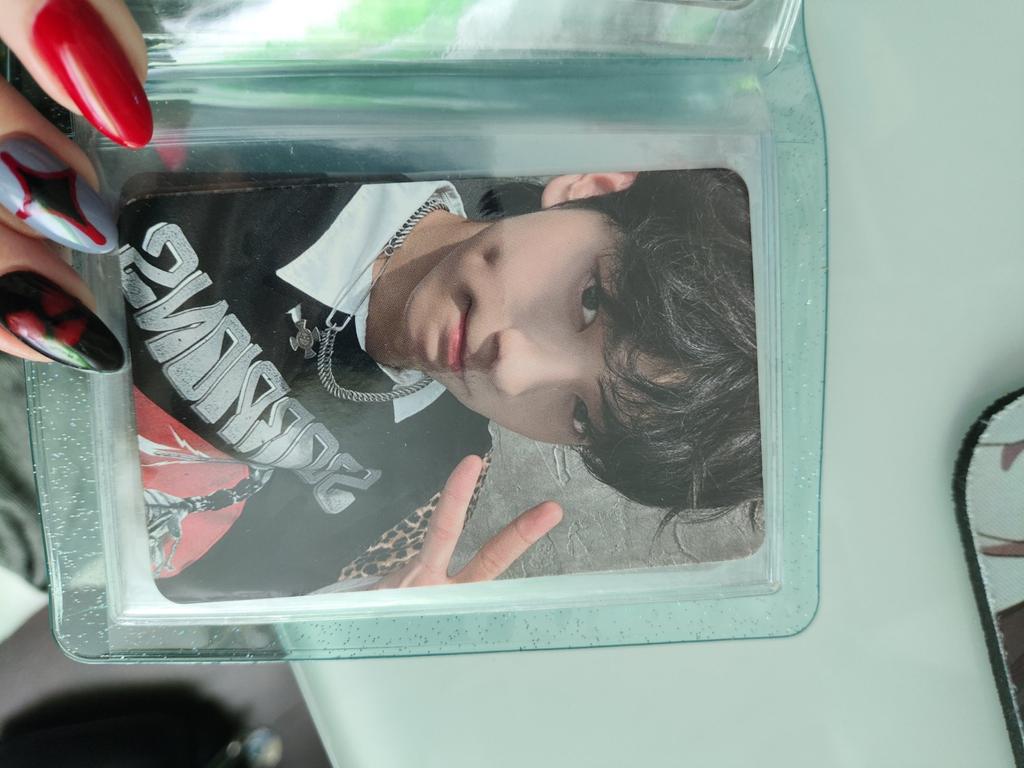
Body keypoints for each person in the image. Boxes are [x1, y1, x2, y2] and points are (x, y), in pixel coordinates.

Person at [0, 0, 760, 601]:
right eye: (590, 300)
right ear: (590, 187)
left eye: (583, 415)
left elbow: (139, 586)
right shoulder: (349, 94)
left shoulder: (432, 480)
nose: (514, 369)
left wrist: (359, 600)